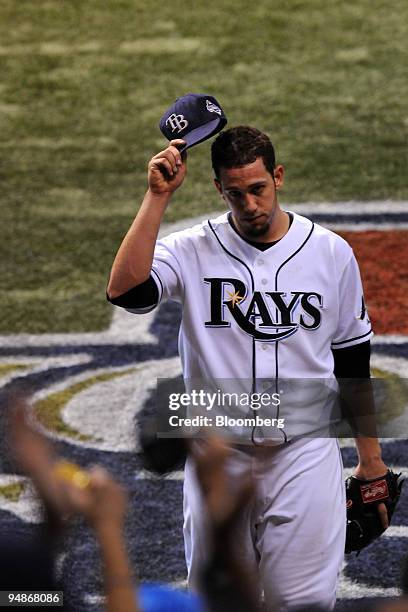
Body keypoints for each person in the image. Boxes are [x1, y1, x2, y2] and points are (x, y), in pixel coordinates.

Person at [107, 125, 390, 610]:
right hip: (219, 460)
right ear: (219, 189)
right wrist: (157, 197)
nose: (250, 204)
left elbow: (351, 360)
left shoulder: (330, 253)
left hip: (305, 455)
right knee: (219, 604)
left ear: (278, 177)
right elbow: (126, 291)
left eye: (258, 189)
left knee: (303, 605)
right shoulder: (191, 249)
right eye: (235, 194)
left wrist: (370, 461)